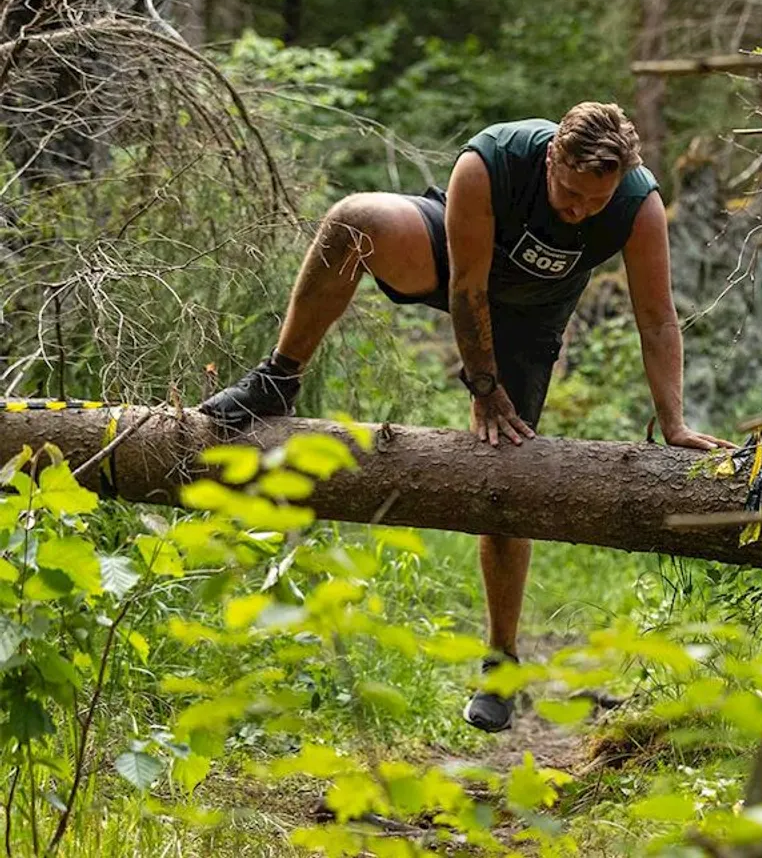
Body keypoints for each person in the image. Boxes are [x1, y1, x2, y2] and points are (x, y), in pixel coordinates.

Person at [198, 102, 732, 732]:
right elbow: (467, 288)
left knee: (505, 479)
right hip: (459, 265)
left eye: (596, 200)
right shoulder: (493, 161)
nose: (579, 210)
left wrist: (673, 422)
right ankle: (277, 379)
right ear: (551, 157)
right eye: (570, 193)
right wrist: (482, 385)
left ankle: (501, 664)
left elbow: (656, 316)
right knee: (354, 222)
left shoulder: (635, 206)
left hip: (531, 318)